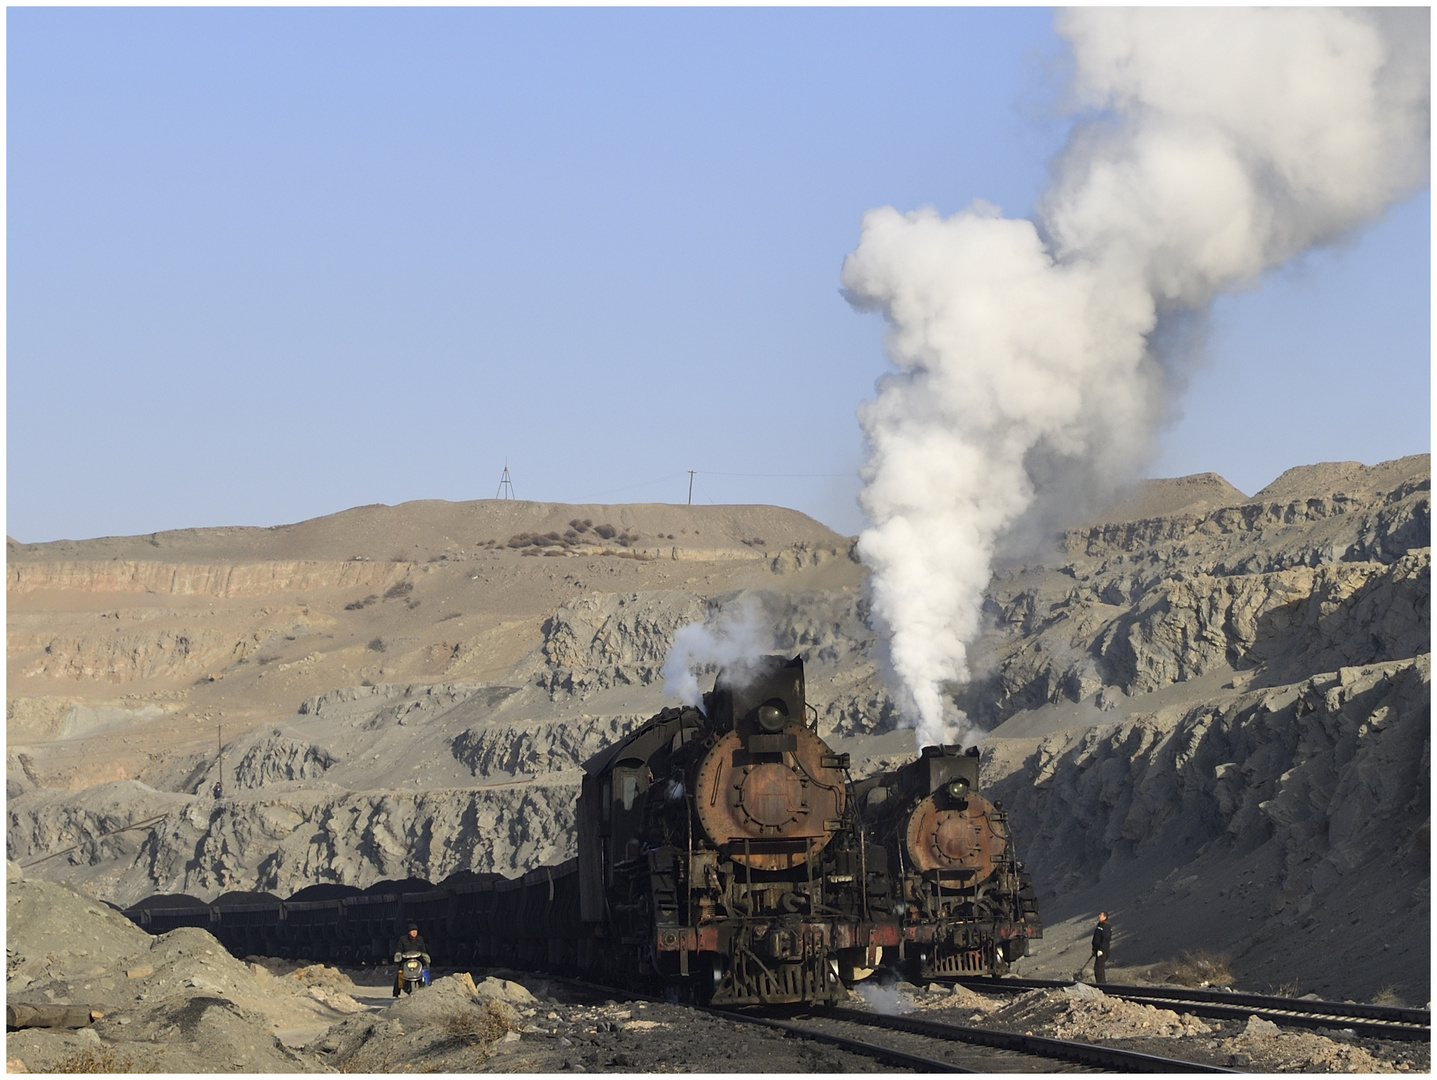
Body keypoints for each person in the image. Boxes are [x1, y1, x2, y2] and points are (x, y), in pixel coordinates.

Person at [393, 924, 431, 997]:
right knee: (400, 973)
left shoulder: (420, 939)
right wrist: (398, 955)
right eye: (412, 931)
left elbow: (423, 949)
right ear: (409, 932)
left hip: (418, 960)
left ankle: (426, 986)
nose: (414, 932)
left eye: (415, 931)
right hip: (406, 960)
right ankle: (396, 992)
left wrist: (425, 956)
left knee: (424, 970)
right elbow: (399, 949)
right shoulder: (403, 939)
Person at [1090, 911, 1111, 984]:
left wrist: (1101, 950)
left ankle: (1102, 984)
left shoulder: (1106, 927)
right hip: (1097, 950)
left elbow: (1106, 939)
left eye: (1100, 915)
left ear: (1105, 917)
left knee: (1099, 968)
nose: (1098, 916)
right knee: (1098, 968)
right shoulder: (1100, 925)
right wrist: (1094, 949)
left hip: (1102, 951)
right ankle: (1101, 983)